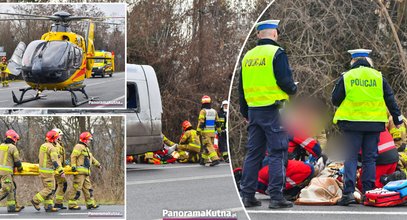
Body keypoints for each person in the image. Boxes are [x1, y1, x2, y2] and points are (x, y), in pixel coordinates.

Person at [238, 19, 297, 209]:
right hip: (274, 110)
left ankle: (247, 195)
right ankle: (276, 196)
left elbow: (241, 88)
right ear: (274, 34)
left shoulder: (248, 56)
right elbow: (284, 80)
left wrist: (246, 111)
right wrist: (293, 89)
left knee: (253, 153)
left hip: (254, 111)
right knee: (277, 152)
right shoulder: (276, 53)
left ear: (258, 35)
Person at [332, 49, 402, 205]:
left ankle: (348, 193)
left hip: (352, 124)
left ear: (353, 61)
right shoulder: (378, 77)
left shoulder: (347, 76)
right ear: (369, 61)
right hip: (374, 124)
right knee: (369, 159)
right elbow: (390, 99)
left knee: (351, 157)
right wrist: (397, 119)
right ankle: (368, 193)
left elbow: (335, 99)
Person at [31, 130, 65, 212]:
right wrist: (61, 171)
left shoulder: (43, 146)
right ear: (53, 139)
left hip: (43, 170)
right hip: (48, 172)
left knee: (49, 188)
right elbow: (55, 161)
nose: (57, 140)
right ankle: (35, 200)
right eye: (56, 138)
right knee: (50, 189)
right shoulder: (52, 148)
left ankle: (48, 206)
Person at [67, 132, 101, 210]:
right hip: (79, 173)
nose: (89, 141)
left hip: (85, 173)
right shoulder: (78, 146)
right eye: (89, 140)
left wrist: (98, 164)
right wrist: (73, 166)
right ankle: (72, 204)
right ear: (85, 140)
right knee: (76, 188)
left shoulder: (86, 148)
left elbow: (91, 158)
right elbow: (73, 156)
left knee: (88, 189)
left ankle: (90, 204)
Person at [0, 130, 24, 212]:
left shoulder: (1, 146)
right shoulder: (13, 147)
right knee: (6, 189)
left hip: (1, 171)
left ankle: (11, 207)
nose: (16, 141)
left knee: (12, 188)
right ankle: (12, 207)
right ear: (14, 139)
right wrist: (20, 168)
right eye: (16, 139)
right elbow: (17, 161)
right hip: (6, 172)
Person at [197, 95, 220, 166]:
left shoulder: (203, 111)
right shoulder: (214, 111)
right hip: (212, 132)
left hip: (205, 132)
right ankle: (203, 160)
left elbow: (201, 121)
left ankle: (215, 159)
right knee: (207, 146)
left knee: (208, 145)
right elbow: (218, 122)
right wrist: (219, 130)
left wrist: (198, 130)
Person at [52, 128, 67, 209]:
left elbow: (60, 157)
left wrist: (65, 163)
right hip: (56, 169)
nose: (61, 137)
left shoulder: (58, 145)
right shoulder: (55, 146)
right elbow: (56, 159)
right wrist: (60, 170)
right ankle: (54, 203)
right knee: (60, 185)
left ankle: (58, 203)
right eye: (60, 135)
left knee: (59, 185)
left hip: (58, 168)